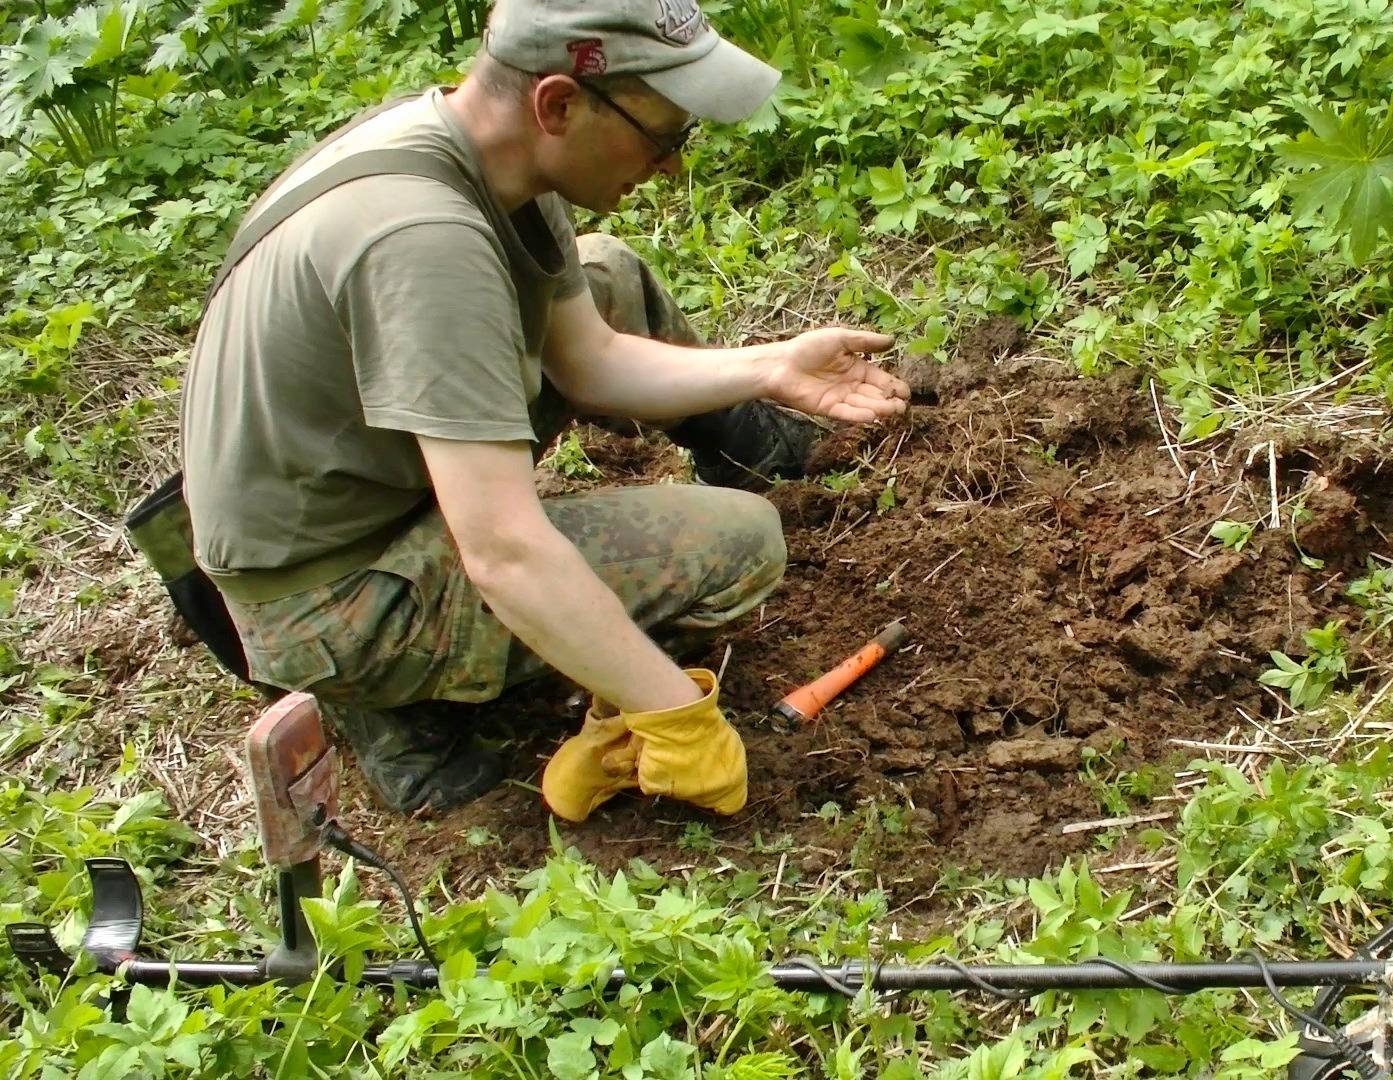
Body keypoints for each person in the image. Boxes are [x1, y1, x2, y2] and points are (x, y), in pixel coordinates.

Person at [179, 0, 909, 819]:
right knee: (739, 543)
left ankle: (746, 449)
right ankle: (392, 703)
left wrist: (772, 367)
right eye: (665, 135)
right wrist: (674, 713)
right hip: (327, 593)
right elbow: (504, 552)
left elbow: (590, 362)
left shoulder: (486, 154)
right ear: (558, 103)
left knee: (607, 275)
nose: (674, 168)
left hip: (352, 482)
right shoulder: (424, 243)